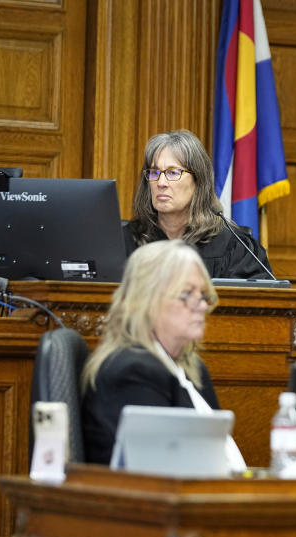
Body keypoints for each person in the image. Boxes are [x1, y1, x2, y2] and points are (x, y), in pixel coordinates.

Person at [81, 239, 243, 467]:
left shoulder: (191, 369)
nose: (203, 306)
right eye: (187, 293)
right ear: (145, 300)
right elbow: (157, 477)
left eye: (203, 294)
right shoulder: (132, 373)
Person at [123, 129, 275, 280]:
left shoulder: (234, 248)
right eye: (154, 173)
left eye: (173, 173)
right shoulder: (124, 242)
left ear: (198, 181)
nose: (161, 183)